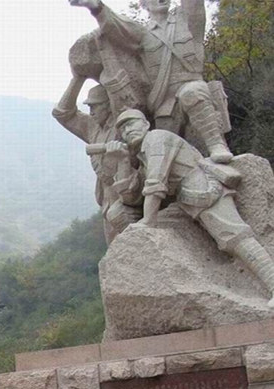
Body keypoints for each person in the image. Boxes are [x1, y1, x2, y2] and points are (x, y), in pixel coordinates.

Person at [106, 109, 274, 306]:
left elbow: (155, 184)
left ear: (146, 124)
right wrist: (123, 161)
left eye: (131, 124)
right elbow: (133, 199)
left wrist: (148, 221)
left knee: (235, 237)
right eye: (123, 129)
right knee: (126, 217)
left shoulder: (156, 139)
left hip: (203, 190)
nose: (127, 131)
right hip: (183, 203)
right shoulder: (143, 155)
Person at [70, 0, 233, 164]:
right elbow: (118, 27)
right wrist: (96, 7)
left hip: (194, 92)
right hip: (163, 105)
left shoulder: (186, 22)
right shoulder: (143, 34)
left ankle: (216, 144)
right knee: (163, 155)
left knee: (192, 92)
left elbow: (194, 5)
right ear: (144, 4)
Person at [53, 76, 142, 243]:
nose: (91, 111)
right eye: (89, 107)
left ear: (108, 105)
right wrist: (78, 79)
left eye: (95, 106)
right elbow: (62, 113)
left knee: (133, 246)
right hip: (106, 199)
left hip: (128, 198)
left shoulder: (123, 125)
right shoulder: (93, 126)